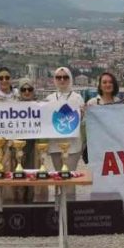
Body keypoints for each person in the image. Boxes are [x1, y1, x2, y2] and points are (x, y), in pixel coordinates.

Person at [48, 67, 86, 198]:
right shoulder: (49, 98)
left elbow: (82, 121)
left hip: (73, 145)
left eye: (65, 77)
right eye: (59, 77)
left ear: (70, 79)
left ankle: (70, 205)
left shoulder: (78, 98)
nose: (62, 80)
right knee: (58, 177)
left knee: (69, 177)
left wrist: (82, 114)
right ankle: (59, 205)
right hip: (55, 144)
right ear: (55, 80)